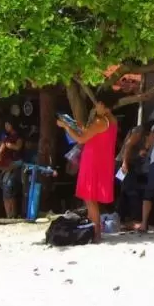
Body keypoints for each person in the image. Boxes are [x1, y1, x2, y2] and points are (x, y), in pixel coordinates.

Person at [57, 89, 118, 243]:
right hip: (102, 161)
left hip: (93, 162)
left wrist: (66, 126)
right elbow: (90, 134)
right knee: (91, 198)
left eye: (97, 104)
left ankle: (96, 233)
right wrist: (78, 126)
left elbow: (81, 139)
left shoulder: (100, 121)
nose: (96, 106)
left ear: (102, 105)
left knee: (90, 198)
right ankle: (94, 230)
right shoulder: (112, 120)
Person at [0, 119, 24, 219]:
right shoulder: (5, 137)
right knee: (5, 188)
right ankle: (8, 214)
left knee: (10, 187)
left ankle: (13, 213)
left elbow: (18, 147)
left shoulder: (18, 136)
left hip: (14, 164)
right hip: (6, 165)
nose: (6, 126)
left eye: (8, 124)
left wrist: (11, 146)